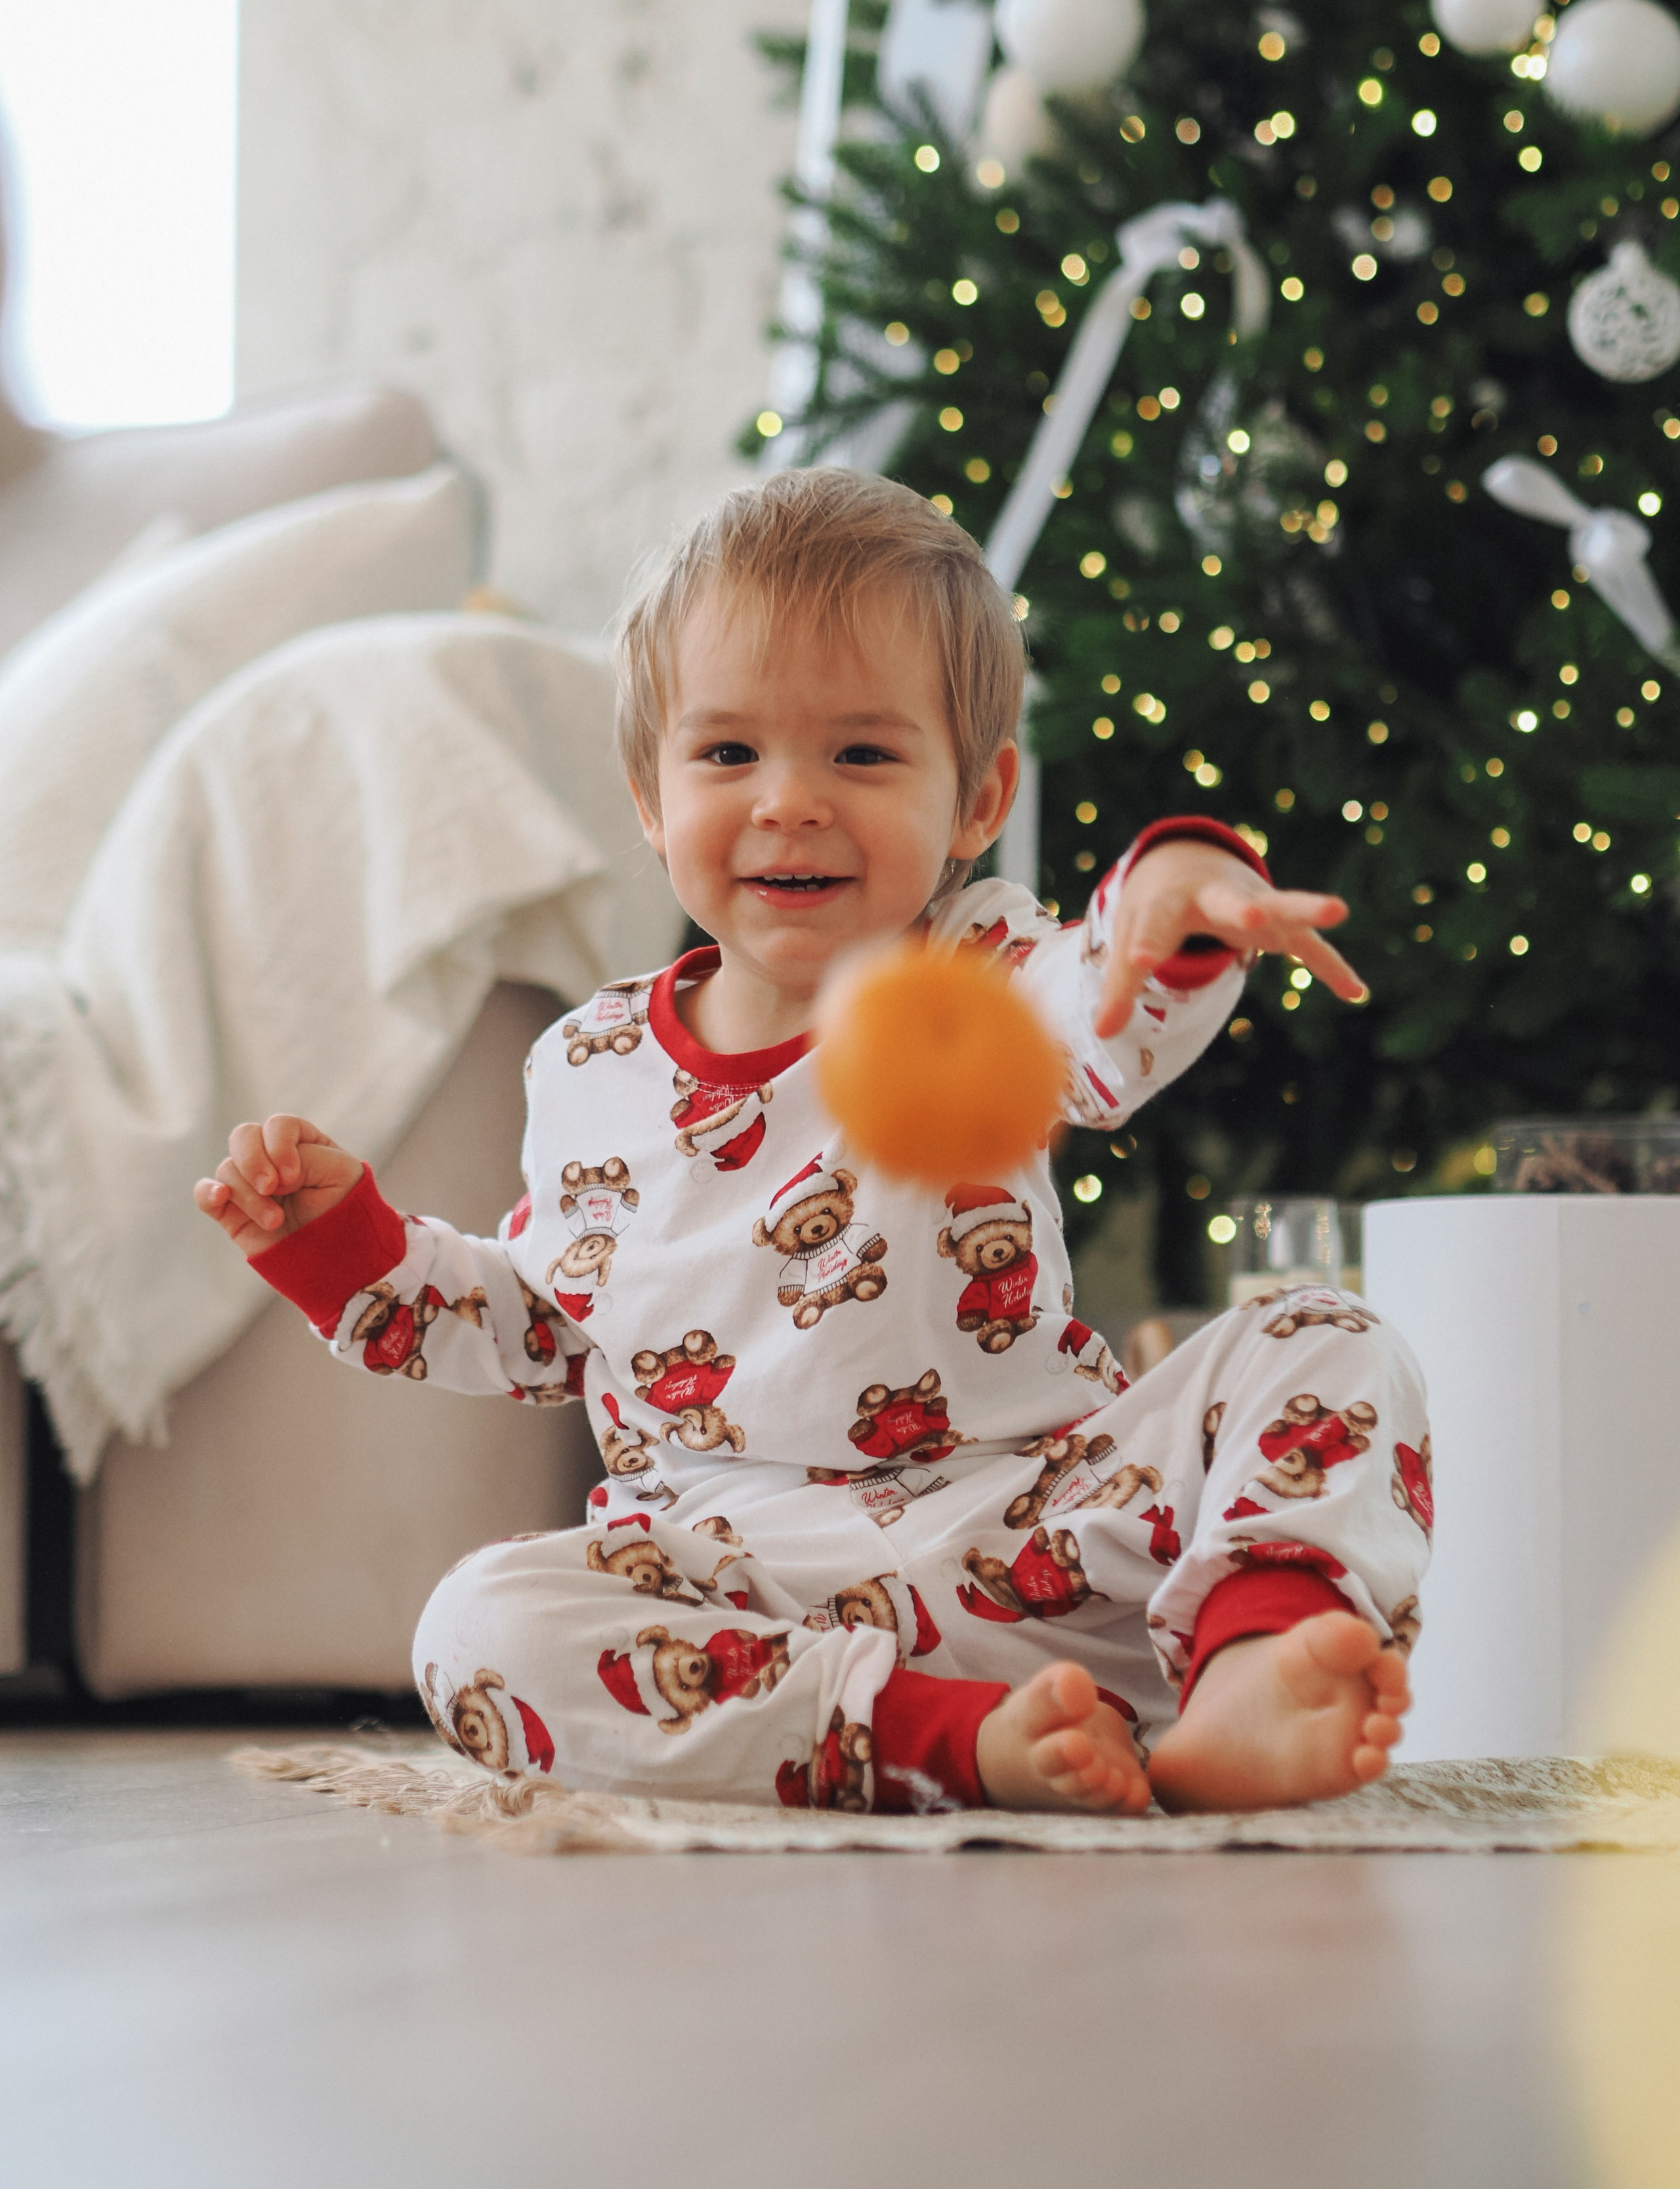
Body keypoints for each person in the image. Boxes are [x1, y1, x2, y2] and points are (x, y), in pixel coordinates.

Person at [196, 469, 1425, 1816]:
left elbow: (1101, 1015)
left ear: (973, 801)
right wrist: (343, 1248)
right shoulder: (588, 1063)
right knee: (476, 1628)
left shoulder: (980, 967)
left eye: (860, 753)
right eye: (727, 755)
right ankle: (954, 1744)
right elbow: (544, 1322)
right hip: (739, 1590)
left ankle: (1251, 1662)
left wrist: (1169, 907)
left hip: (1036, 1543)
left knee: (1322, 1335)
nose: (787, 801)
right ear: (651, 800)